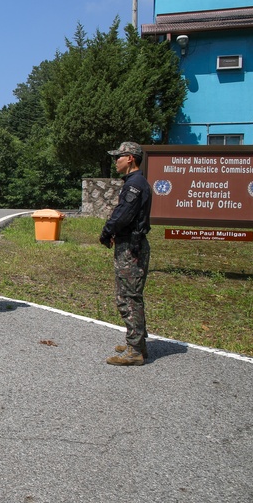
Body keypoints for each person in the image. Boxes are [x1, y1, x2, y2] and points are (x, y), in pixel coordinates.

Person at [99, 141, 153, 366]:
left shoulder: (135, 184)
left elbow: (123, 214)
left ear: (130, 158)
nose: (115, 161)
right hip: (130, 244)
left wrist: (107, 231)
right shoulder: (134, 182)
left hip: (131, 248)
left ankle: (134, 351)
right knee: (131, 295)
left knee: (127, 297)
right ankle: (137, 343)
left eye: (118, 157)